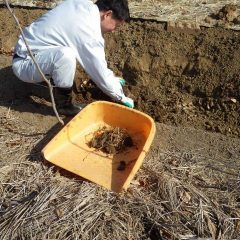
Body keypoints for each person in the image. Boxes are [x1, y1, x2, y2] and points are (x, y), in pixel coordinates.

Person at [12, 0, 134, 116]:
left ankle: (49, 79)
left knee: (63, 54)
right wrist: (121, 97)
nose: (113, 31)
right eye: (116, 26)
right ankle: (64, 105)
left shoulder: (82, 4)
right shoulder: (88, 31)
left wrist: (112, 79)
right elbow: (99, 72)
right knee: (66, 55)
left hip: (30, 51)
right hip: (25, 63)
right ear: (107, 14)